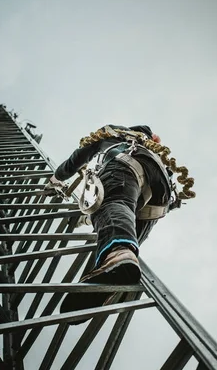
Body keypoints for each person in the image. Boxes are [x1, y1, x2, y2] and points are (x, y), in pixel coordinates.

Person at [44, 124, 194, 317]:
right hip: (160, 195)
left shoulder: (114, 135)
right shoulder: (154, 152)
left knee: (111, 206)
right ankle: (112, 277)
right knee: (122, 235)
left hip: (127, 165)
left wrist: (55, 180)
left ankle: (117, 258)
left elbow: (77, 158)